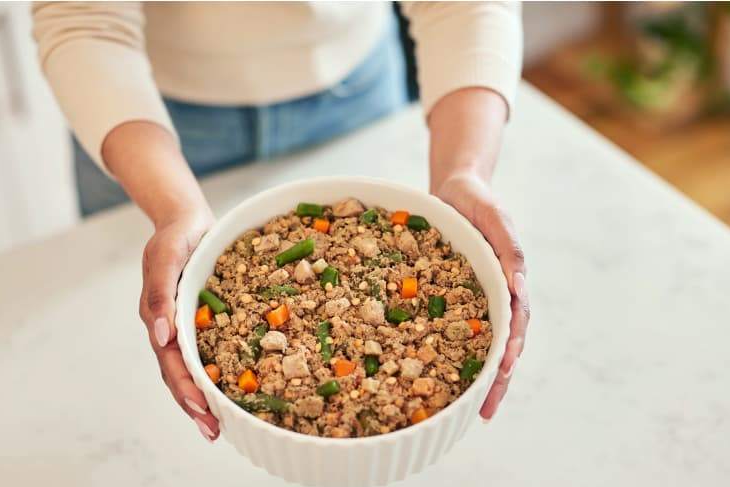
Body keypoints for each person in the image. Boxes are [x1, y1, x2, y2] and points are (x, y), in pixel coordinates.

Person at [33, 2, 530, 442]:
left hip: (355, 88)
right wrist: (174, 212)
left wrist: (463, 171)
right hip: (142, 120)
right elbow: (82, 17)